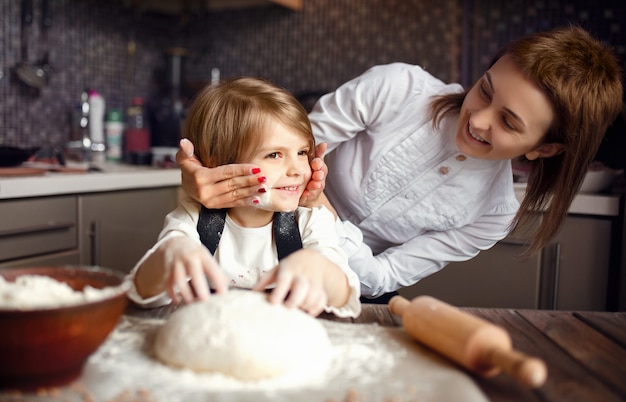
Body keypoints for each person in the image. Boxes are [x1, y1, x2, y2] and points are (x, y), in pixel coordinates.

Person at [175, 26, 623, 302]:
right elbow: (286, 151)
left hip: (353, 288)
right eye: (485, 90)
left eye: (509, 122)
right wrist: (211, 179)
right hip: (257, 244)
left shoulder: (494, 214)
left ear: (543, 149)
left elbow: (382, 277)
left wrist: (324, 220)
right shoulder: (397, 87)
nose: (479, 118)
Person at [128, 77, 361, 318]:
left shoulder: (310, 221)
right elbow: (141, 292)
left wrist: (321, 269)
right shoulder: (193, 219)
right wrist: (169, 254)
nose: (297, 170)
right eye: (274, 155)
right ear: (219, 163)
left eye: (302, 152)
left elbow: (346, 298)